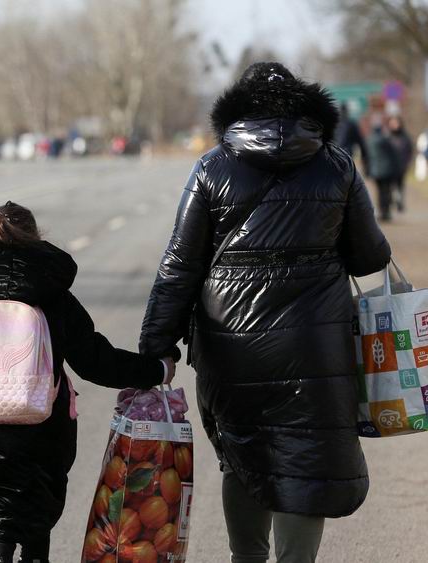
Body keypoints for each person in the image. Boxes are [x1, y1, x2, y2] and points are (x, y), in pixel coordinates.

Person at [140, 62, 390, 563]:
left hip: (231, 343)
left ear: (237, 110)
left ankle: (246, 557)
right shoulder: (337, 164)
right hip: (315, 344)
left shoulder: (211, 167)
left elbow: (178, 267)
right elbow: (370, 257)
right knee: (307, 456)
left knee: (243, 453)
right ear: (307, 108)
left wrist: (156, 350)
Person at [0, 201, 171, 563]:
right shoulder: (56, 300)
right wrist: (157, 370)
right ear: (35, 237)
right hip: (46, 429)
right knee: (36, 515)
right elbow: (96, 362)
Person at [366, 115, 400, 221]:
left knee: (380, 192)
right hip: (386, 170)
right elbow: (392, 154)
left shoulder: (369, 140)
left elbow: (367, 157)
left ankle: (382, 211)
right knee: (386, 191)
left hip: (375, 170)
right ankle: (386, 212)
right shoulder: (385, 139)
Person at [387, 115, 413, 212]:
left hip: (401, 165)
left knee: (400, 185)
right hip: (390, 166)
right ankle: (391, 201)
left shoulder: (405, 137)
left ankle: (399, 202)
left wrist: (407, 162)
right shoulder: (387, 136)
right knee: (390, 185)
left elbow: (410, 150)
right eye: (392, 123)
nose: (394, 125)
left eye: (396, 123)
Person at [334, 102, 368, 172]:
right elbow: (359, 140)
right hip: (346, 154)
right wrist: (364, 156)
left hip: (334, 154)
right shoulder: (351, 124)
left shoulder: (333, 125)